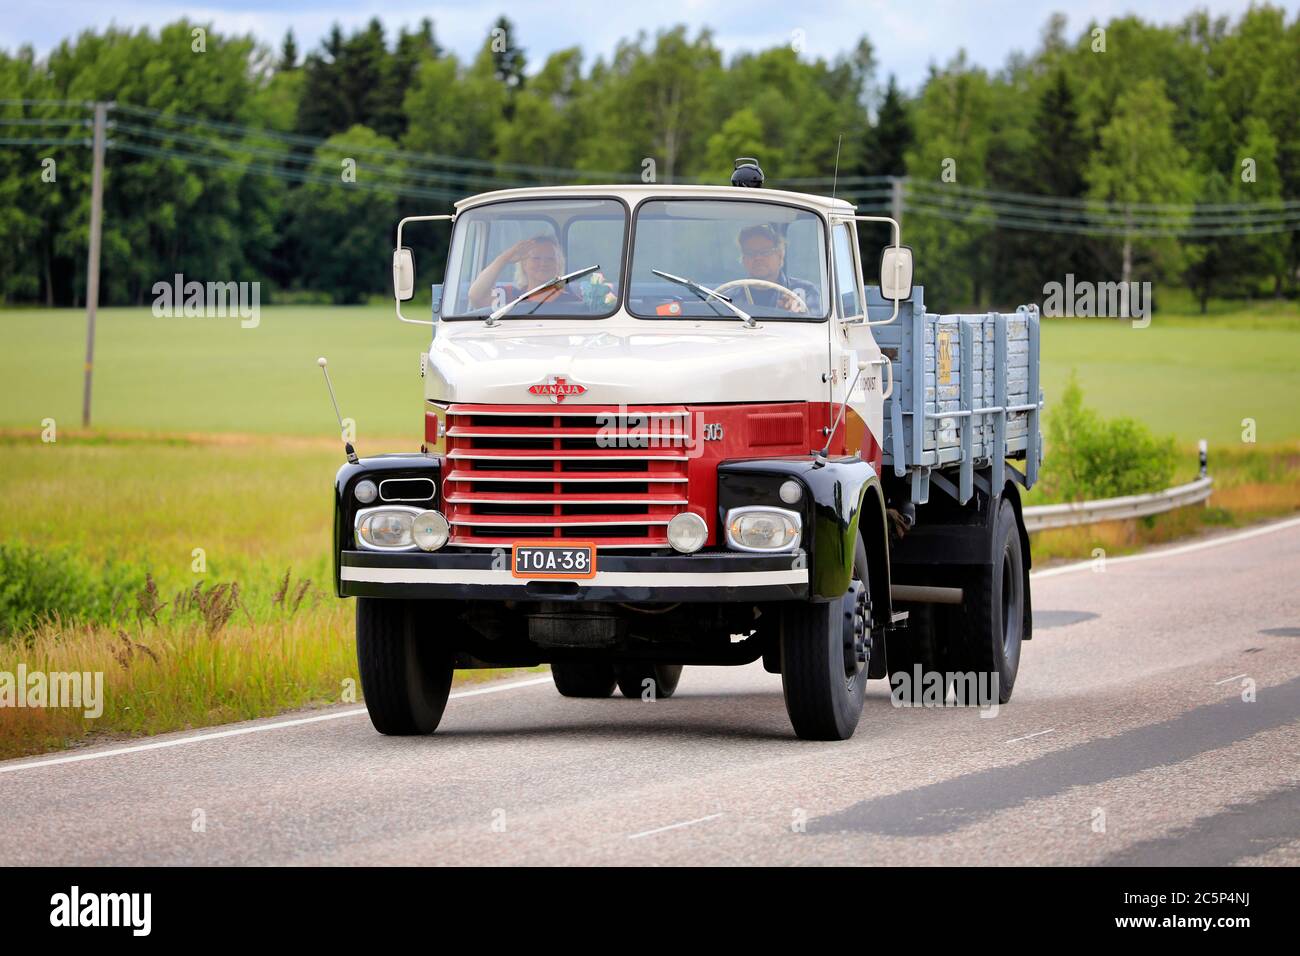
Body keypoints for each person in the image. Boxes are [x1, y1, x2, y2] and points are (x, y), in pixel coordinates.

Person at [467, 234, 580, 311]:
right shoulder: (509, 296)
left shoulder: (573, 302)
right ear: (523, 264)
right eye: (536, 258)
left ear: (559, 265)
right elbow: (476, 296)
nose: (544, 263)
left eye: (551, 259)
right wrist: (504, 259)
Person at [733, 224, 820, 314]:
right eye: (750, 253)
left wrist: (795, 314)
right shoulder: (728, 298)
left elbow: (814, 326)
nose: (758, 258)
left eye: (765, 252)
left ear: (780, 256)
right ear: (744, 259)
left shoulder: (804, 292)